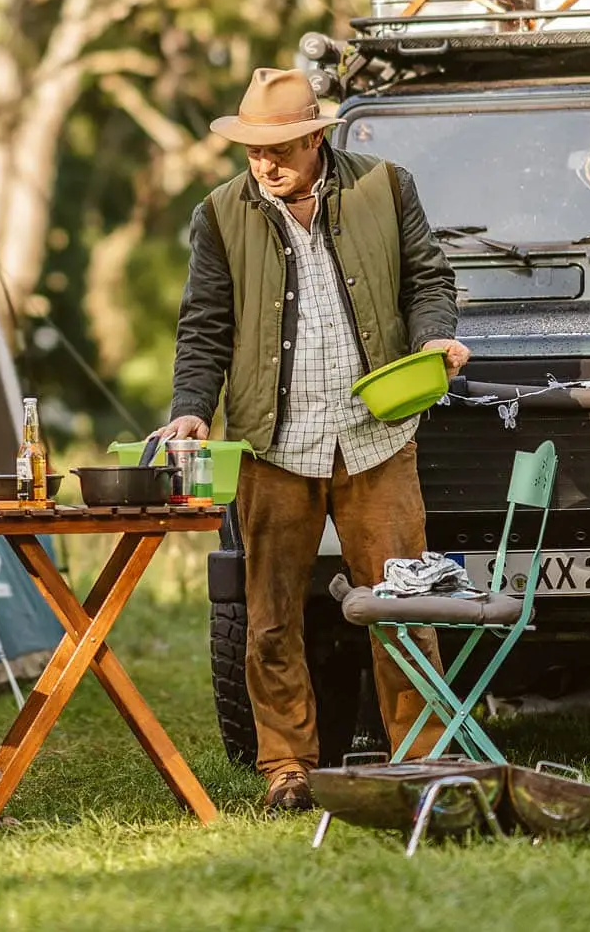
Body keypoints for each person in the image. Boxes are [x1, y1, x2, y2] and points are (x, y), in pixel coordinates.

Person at [155, 67, 471, 812]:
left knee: (401, 605)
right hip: (273, 445)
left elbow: (429, 279)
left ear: (316, 134)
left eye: (281, 147)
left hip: (376, 437)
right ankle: (287, 765)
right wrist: (192, 407)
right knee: (269, 617)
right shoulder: (219, 214)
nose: (265, 163)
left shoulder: (384, 187)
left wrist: (435, 339)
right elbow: (204, 324)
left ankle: (420, 759)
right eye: (253, 150)